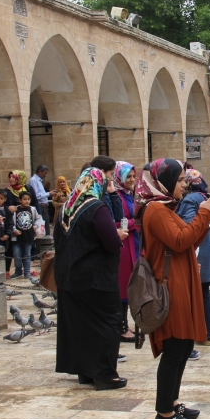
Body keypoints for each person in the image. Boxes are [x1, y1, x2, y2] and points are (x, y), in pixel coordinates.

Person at [136, 159, 210, 419]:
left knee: (183, 346)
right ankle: (164, 414)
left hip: (181, 281)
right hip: (171, 286)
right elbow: (180, 240)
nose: (184, 184)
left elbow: (187, 239)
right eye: (180, 180)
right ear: (164, 181)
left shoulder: (165, 207)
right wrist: (203, 214)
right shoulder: (156, 210)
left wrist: (206, 219)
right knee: (174, 348)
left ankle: (172, 402)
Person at [55, 167, 128, 390]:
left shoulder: (66, 209)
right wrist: (119, 236)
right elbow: (111, 242)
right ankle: (106, 375)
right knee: (106, 323)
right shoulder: (96, 208)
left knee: (80, 325)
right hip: (95, 278)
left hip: (68, 276)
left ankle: (85, 371)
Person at [177, 168, 210, 349]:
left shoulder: (190, 199)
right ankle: (206, 333)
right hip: (208, 248)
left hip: (197, 250)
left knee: (198, 292)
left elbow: (189, 225)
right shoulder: (205, 197)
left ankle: (200, 333)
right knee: (204, 292)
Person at [114, 161, 138, 344]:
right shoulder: (117, 197)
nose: (131, 180)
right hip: (124, 243)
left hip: (134, 242)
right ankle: (121, 326)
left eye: (132, 176)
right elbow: (117, 222)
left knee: (130, 284)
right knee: (123, 285)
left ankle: (124, 322)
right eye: (127, 177)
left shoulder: (129, 194)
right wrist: (135, 223)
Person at [9, 191, 39, 284]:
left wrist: (36, 226)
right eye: (24, 199)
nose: (27, 201)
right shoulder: (15, 210)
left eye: (28, 199)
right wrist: (14, 230)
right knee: (17, 255)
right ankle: (18, 271)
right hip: (17, 237)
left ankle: (27, 272)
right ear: (20, 200)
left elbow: (38, 219)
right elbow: (11, 222)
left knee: (27, 255)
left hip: (28, 236)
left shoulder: (32, 209)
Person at [30, 165, 56, 236]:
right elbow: (36, 195)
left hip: (44, 206)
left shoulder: (38, 181)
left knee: (46, 225)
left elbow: (41, 193)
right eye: (45, 173)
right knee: (42, 226)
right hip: (40, 206)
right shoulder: (33, 180)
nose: (46, 175)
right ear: (39, 172)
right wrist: (49, 194)